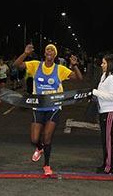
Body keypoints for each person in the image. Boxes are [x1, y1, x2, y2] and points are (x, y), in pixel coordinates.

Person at [14, 44, 83, 176]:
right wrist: (25, 54)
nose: (49, 51)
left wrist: (74, 65)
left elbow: (79, 78)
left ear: (55, 55)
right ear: (45, 54)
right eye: (47, 50)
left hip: (54, 108)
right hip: (38, 107)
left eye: (52, 50)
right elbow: (17, 65)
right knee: (34, 139)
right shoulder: (35, 66)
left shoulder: (59, 69)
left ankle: (47, 165)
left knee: (47, 138)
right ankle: (39, 148)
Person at [92, 54, 113, 174]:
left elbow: (112, 97)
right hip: (104, 111)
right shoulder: (104, 76)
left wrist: (95, 92)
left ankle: (109, 167)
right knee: (105, 140)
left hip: (111, 112)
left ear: (110, 64)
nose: (101, 65)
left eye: (104, 63)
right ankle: (106, 164)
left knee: (108, 140)